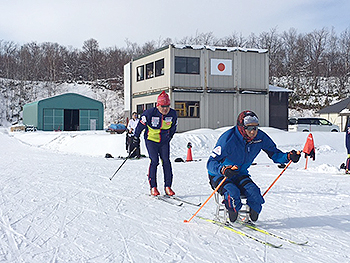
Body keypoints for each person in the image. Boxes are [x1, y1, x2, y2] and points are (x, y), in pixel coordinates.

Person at [207, 110, 301, 223]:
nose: (253, 132)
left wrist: (288, 157)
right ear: (242, 127)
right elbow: (210, 163)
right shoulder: (228, 139)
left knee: (255, 194)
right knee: (232, 193)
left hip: (240, 173)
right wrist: (222, 169)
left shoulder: (260, 137)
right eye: (249, 128)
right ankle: (232, 213)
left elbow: (275, 154)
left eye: (255, 128)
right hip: (221, 175)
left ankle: (251, 215)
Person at [133, 91, 178, 196]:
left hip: (164, 141)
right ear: (158, 105)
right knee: (155, 161)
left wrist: (169, 136)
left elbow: (173, 127)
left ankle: (168, 186)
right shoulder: (149, 113)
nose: (165, 109)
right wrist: (136, 137)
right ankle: (153, 187)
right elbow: (140, 126)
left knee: (166, 161)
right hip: (151, 140)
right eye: (163, 106)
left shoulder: (172, 114)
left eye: (167, 106)